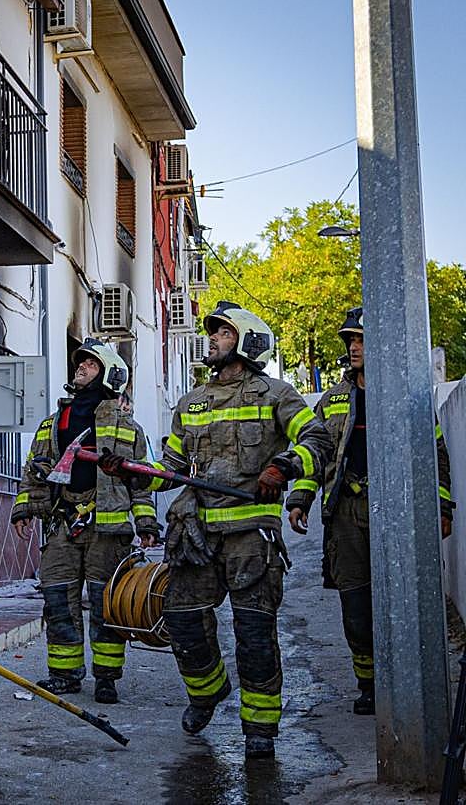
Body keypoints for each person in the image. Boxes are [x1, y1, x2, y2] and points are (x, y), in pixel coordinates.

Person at [105, 301, 333, 759]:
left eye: (222, 333)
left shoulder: (276, 395)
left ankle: (261, 729)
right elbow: (168, 469)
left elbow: (318, 439)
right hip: (195, 535)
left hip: (252, 536)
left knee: (254, 633)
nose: (211, 339)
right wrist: (130, 470)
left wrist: (283, 467)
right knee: (184, 622)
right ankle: (207, 692)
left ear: (247, 343)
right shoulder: (190, 404)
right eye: (213, 334)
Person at [285, 306, 454, 715]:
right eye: (351, 341)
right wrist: (300, 499)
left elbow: (435, 454)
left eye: (360, 340)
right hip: (346, 513)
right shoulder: (333, 400)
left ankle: (410, 681)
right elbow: (319, 455)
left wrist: (442, 505)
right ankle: (369, 683)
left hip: (398, 511)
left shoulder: (405, 394)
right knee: (356, 605)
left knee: (403, 598)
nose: (354, 347)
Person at [10, 338, 160, 704]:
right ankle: (64, 674)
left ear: (109, 374)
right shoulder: (53, 423)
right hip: (62, 523)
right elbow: (35, 470)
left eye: (91, 364)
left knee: (106, 604)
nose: (81, 367)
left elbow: (141, 482)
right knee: (57, 599)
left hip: (108, 532)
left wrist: (147, 525)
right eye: (81, 364)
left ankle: (107, 678)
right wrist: (24, 507)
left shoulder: (126, 428)